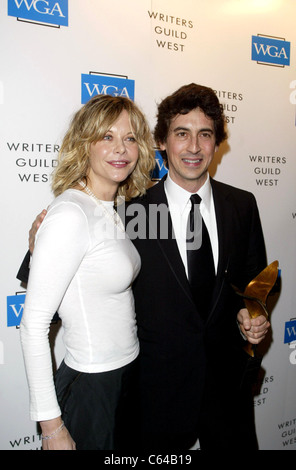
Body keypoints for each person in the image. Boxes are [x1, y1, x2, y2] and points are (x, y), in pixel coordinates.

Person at [18, 84, 270, 451]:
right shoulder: (131, 208)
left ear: (218, 142)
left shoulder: (242, 205)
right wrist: (34, 244)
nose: (194, 147)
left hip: (227, 392)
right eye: (182, 134)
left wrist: (254, 316)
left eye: (205, 135)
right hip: (154, 399)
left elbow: (254, 286)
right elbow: (64, 277)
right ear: (162, 142)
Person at [19, 94, 155, 450]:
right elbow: (33, 326)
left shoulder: (109, 207)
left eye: (129, 138)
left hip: (124, 374)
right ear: (84, 144)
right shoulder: (71, 213)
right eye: (107, 137)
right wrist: (51, 429)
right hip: (91, 388)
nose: (121, 148)